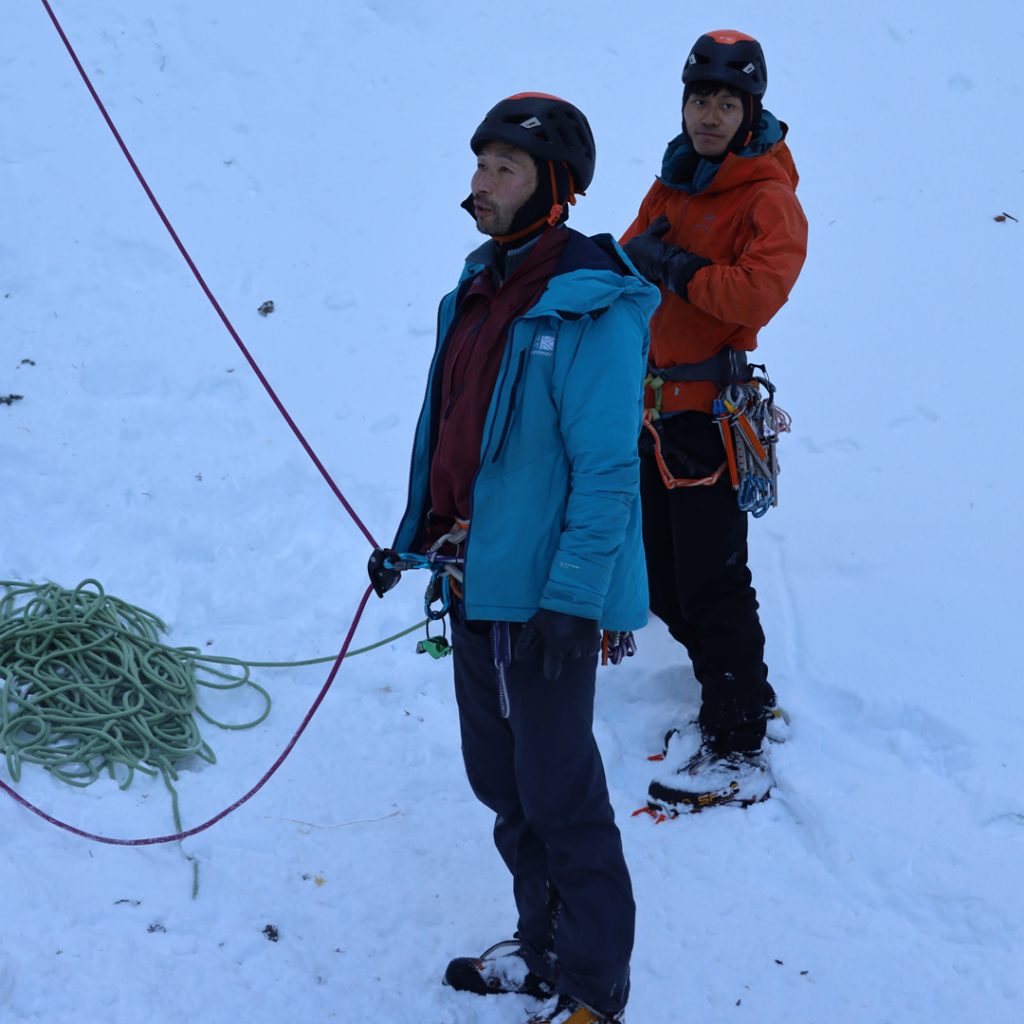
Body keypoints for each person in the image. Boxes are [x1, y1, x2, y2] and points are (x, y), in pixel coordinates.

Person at [368, 93, 659, 1024]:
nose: (479, 186)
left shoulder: (592, 303)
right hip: (475, 581)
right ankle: (542, 949)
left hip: (546, 599)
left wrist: (574, 600)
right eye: (480, 166)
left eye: (504, 170)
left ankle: (593, 988)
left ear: (555, 189)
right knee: (502, 783)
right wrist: (414, 543)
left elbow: (608, 471)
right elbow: (460, 438)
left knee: (559, 790)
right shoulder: (481, 284)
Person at [621, 30, 808, 813]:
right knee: (662, 580)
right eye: (700, 99)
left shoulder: (769, 199)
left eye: (726, 103)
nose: (708, 115)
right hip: (652, 410)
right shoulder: (676, 179)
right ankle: (736, 696)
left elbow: (752, 294)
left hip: (710, 419)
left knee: (713, 583)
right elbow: (631, 250)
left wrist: (680, 269)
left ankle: (738, 750)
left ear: (749, 111)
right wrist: (647, 258)